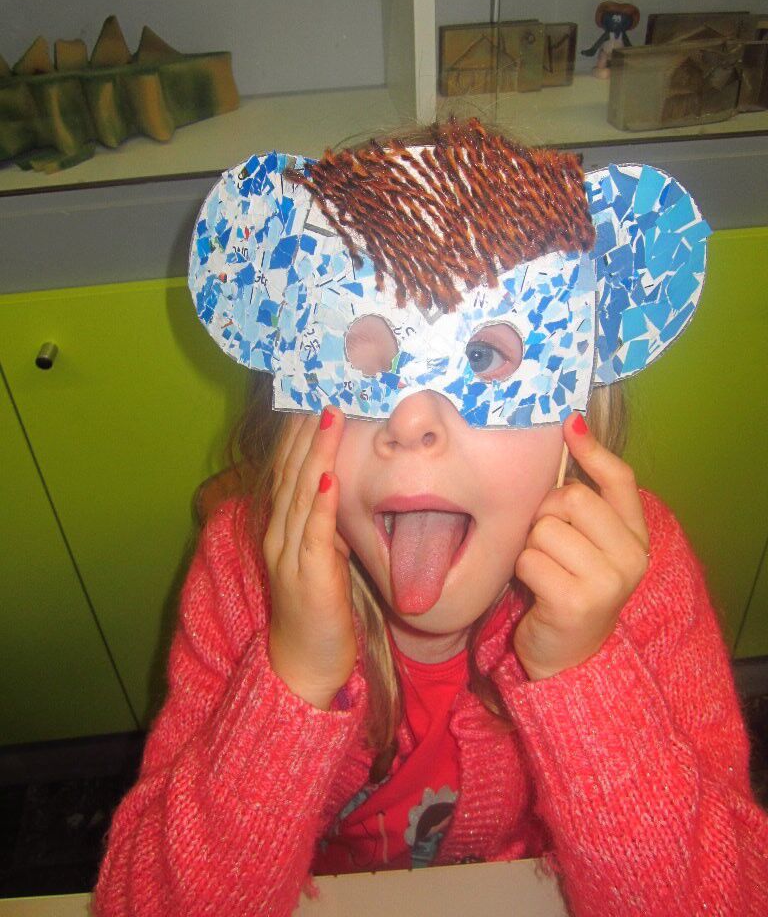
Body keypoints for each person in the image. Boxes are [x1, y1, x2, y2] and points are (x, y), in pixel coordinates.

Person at [93, 119, 768, 917]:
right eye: (361, 358)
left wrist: (583, 670)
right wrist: (293, 674)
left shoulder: (635, 576)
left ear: (577, 415)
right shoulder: (246, 575)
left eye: (483, 357)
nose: (412, 420)